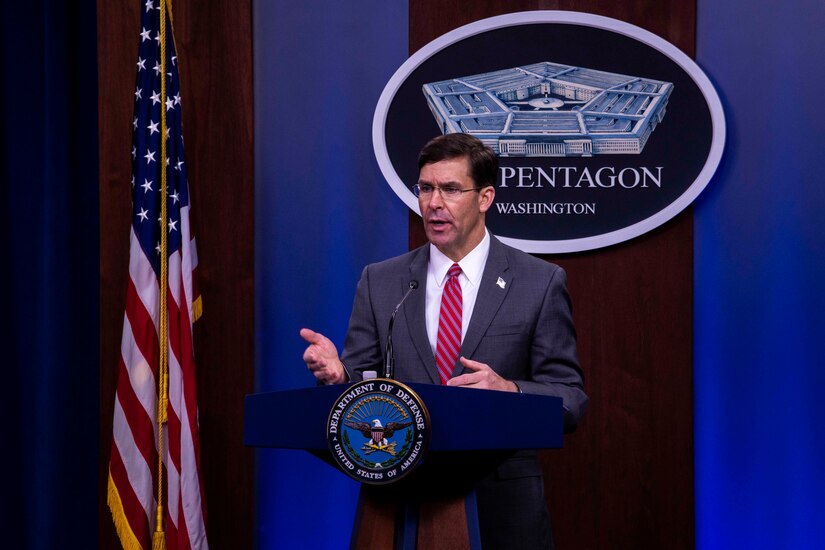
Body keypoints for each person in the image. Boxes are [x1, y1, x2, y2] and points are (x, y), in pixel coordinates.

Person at [301, 133, 587, 549]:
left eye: (451, 189)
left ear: (485, 197)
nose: (433, 203)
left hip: (500, 508)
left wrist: (510, 391)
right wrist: (338, 377)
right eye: (425, 188)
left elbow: (571, 400)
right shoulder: (381, 281)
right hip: (400, 503)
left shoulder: (538, 282)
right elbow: (362, 381)